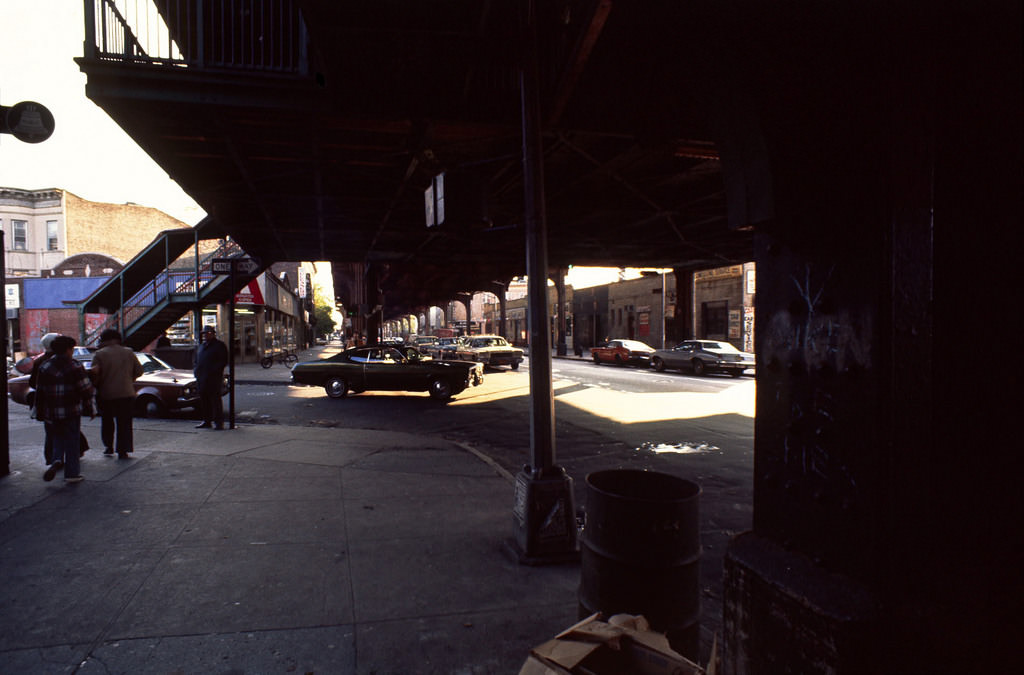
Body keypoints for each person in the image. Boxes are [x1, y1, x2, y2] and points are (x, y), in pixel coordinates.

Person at [35, 335, 95, 484]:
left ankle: (56, 459)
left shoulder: (45, 366)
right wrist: (91, 408)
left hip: (52, 412)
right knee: (72, 441)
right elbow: (85, 389)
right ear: (68, 349)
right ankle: (72, 473)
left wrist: (40, 411)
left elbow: (39, 391)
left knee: (57, 438)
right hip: (71, 411)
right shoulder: (75, 366)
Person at [89, 329, 143, 459]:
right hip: (127, 393)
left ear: (104, 340)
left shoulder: (99, 354)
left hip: (106, 394)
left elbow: (94, 375)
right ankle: (123, 450)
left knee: (107, 422)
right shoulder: (129, 352)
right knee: (124, 423)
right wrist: (129, 380)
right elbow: (139, 371)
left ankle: (108, 447)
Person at [29, 332, 60, 464]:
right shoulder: (64, 359)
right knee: (68, 430)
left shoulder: (39, 361)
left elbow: (32, 382)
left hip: (46, 403)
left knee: (51, 432)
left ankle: (51, 458)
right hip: (64, 403)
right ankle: (63, 457)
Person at [194, 326, 228, 430]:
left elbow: (223, 361)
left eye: (207, 333)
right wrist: (196, 371)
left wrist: (214, 371)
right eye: (204, 333)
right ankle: (206, 421)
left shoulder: (219, 346)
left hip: (213, 378)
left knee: (215, 401)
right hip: (202, 378)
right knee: (204, 401)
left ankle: (218, 422)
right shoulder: (201, 346)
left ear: (213, 334)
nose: (205, 335)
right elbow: (196, 360)